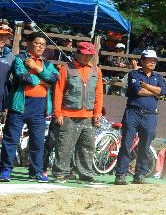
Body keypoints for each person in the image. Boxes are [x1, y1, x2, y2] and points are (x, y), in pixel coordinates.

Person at [0, 33, 59, 183]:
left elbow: (53, 79)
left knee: (38, 141)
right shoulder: (19, 59)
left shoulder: (46, 63)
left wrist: (35, 68)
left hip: (39, 107)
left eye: (43, 45)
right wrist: (42, 81)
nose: (40, 46)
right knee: (11, 139)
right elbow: (22, 77)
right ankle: (6, 169)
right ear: (29, 43)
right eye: (37, 43)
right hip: (19, 105)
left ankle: (36, 171)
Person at [52, 41, 103, 183]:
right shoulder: (66, 68)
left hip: (89, 116)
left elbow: (99, 94)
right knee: (64, 146)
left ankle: (86, 173)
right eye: (85, 55)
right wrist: (58, 113)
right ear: (78, 53)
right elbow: (58, 92)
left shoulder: (96, 70)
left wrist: (97, 113)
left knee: (88, 147)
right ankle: (60, 173)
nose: (88, 58)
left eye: (90, 55)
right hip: (68, 115)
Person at [114, 49, 166, 185]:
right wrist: (155, 92)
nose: (152, 62)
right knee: (126, 144)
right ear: (142, 61)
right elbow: (138, 90)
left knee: (145, 146)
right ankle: (120, 174)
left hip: (150, 115)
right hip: (133, 112)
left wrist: (147, 86)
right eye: (149, 60)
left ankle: (140, 174)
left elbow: (163, 92)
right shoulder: (133, 73)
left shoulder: (158, 77)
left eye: (154, 60)